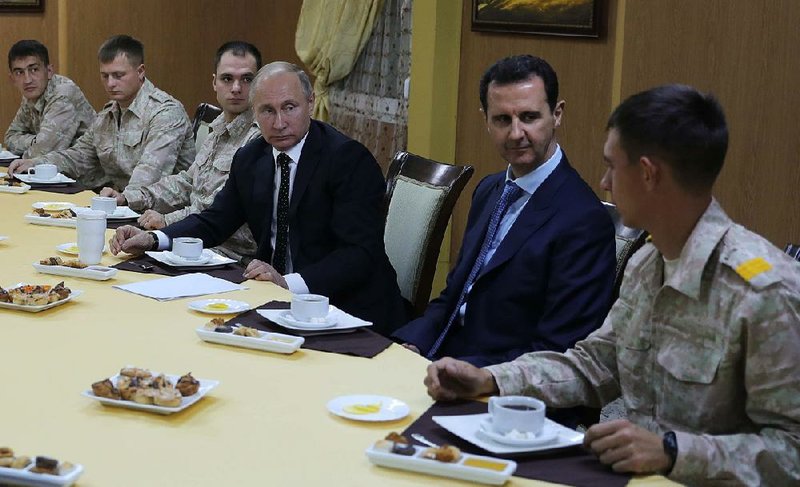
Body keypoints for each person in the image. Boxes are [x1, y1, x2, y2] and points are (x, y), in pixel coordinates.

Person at [423, 84, 800, 485]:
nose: (603, 182)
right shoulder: (649, 263)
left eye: (612, 166)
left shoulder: (763, 293)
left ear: (648, 174)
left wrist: (673, 452)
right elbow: (596, 364)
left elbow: (793, 450)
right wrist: (493, 379)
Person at [109, 61, 407, 335]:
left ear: (311, 104)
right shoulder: (251, 157)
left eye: (289, 108)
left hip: (345, 310)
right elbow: (216, 220)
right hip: (273, 303)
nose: (279, 123)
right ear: (254, 112)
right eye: (267, 111)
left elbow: (358, 254)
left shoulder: (348, 160)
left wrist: (286, 284)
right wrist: (154, 239)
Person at [392, 54, 615, 367]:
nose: (515, 133)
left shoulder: (583, 220)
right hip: (441, 358)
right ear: (485, 120)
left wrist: (473, 375)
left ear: (557, 114)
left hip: (502, 385)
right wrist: (411, 344)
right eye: (502, 120)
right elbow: (454, 295)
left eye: (529, 117)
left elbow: (558, 352)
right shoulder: (490, 189)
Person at [100, 41, 262, 262]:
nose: (236, 88)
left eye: (246, 79)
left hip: (228, 255)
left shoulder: (260, 137)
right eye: (227, 79)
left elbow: (218, 211)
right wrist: (130, 198)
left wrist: (168, 221)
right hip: (192, 243)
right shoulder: (218, 127)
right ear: (214, 83)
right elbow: (187, 182)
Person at [9, 34, 194, 194]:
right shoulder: (109, 114)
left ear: (140, 72)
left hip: (160, 216)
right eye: (105, 76)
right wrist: (36, 163)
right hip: (119, 205)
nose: (110, 83)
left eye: (118, 75)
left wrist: (119, 200)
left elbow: (149, 177)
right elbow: (80, 155)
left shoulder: (165, 113)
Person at [4, 40, 95, 158]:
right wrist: (36, 141)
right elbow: (10, 137)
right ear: (12, 79)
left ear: (49, 71)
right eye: (19, 72)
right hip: (56, 171)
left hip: (85, 173)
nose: (27, 80)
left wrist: (39, 144)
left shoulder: (63, 93)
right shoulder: (31, 93)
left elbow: (41, 153)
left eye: (34, 70)